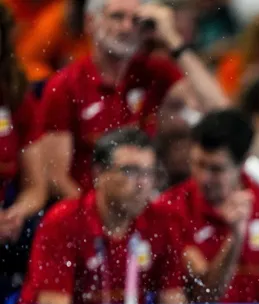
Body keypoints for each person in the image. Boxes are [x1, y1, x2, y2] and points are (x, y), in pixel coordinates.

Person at [38, 0, 229, 201]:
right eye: (117, 17)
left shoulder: (154, 72)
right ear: (90, 22)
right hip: (89, 211)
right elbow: (56, 178)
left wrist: (173, 39)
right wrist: (102, 219)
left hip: (143, 208)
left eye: (136, 20)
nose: (127, 27)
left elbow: (220, 111)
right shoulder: (66, 85)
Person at [20, 127, 186, 304]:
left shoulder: (162, 221)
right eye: (130, 171)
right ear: (98, 174)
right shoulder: (63, 222)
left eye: (148, 173)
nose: (142, 184)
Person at [154, 108, 259, 304]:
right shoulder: (169, 209)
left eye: (216, 169)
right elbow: (205, 297)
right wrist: (235, 238)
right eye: (198, 164)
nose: (204, 178)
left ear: (244, 162)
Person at [0, 3, 48, 304]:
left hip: (6, 222)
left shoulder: (14, 93)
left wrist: (16, 214)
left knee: (43, 225)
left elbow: (36, 186)